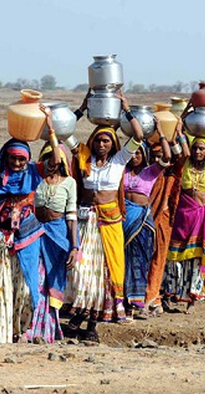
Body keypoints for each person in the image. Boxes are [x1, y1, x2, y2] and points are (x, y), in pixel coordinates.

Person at [0, 111, 79, 343]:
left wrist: (51, 129)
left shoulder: (33, 173)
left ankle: (20, 330)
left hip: (28, 235)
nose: (17, 163)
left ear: (28, 160)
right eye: (13, 158)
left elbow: (56, 161)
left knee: (25, 286)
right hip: (0, 236)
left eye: (21, 159)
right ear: (6, 157)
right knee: (0, 283)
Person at [65, 90, 144, 342]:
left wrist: (126, 109)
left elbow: (139, 136)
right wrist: (81, 109)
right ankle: (77, 317)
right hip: (86, 221)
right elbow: (65, 132)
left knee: (105, 274)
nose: (101, 145)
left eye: (106, 141)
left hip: (110, 222)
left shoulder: (120, 160)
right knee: (82, 271)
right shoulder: (84, 157)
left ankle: (90, 325)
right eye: (98, 140)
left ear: (113, 144)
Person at [165, 107, 205, 314]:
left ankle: (192, 298)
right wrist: (184, 115)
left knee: (196, 259)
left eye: (202, 149)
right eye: (195, 148)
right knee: (175, 258)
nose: (198, 152)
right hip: (183, 216)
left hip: (202, 218)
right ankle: (171, 294)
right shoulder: (184, 164)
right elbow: (176, 139)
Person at [122, 120, 172, 318]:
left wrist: (160, 132)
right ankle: (122, 304)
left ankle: (137, 304)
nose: (135, 156)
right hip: (123, 220)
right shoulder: (122, 170)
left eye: (139, 153)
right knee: (122, 262)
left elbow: (167, 156)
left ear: (144, 155)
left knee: (140, 262)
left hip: (142, 222)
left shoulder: (150, 172)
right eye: (132, 153)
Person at [144, 126, 185, 315]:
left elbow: (184, 155)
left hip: (163, 220)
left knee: (158, 260)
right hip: (144, 221)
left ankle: (151, 298)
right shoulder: (145, 172)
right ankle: (147, 298)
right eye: (154, 155)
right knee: (142, 259)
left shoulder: (171, 172)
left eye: (160, 155)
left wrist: (173, 135)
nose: (157, 159)